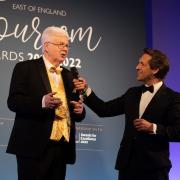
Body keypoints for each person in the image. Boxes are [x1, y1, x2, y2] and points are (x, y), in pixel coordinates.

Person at [74, 48, 180, 180]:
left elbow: (178, 132)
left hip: (154, 169)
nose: (137, 67)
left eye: (142, 64)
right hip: (127, 167)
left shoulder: (173, 98)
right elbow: (104, 109)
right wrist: (85, 90)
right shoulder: (132, 93)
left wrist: (153, 128)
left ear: (155, 69)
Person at [6, 26, 85, 180]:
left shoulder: (69, 75)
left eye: (67, 45)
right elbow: (13, 102)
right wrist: (42, 102)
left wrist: (80, 110)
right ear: (46, 46)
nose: (65, 48)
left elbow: (76, 113)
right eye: (60, 44)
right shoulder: (25, 68)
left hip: (61, 148)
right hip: (32, 146)